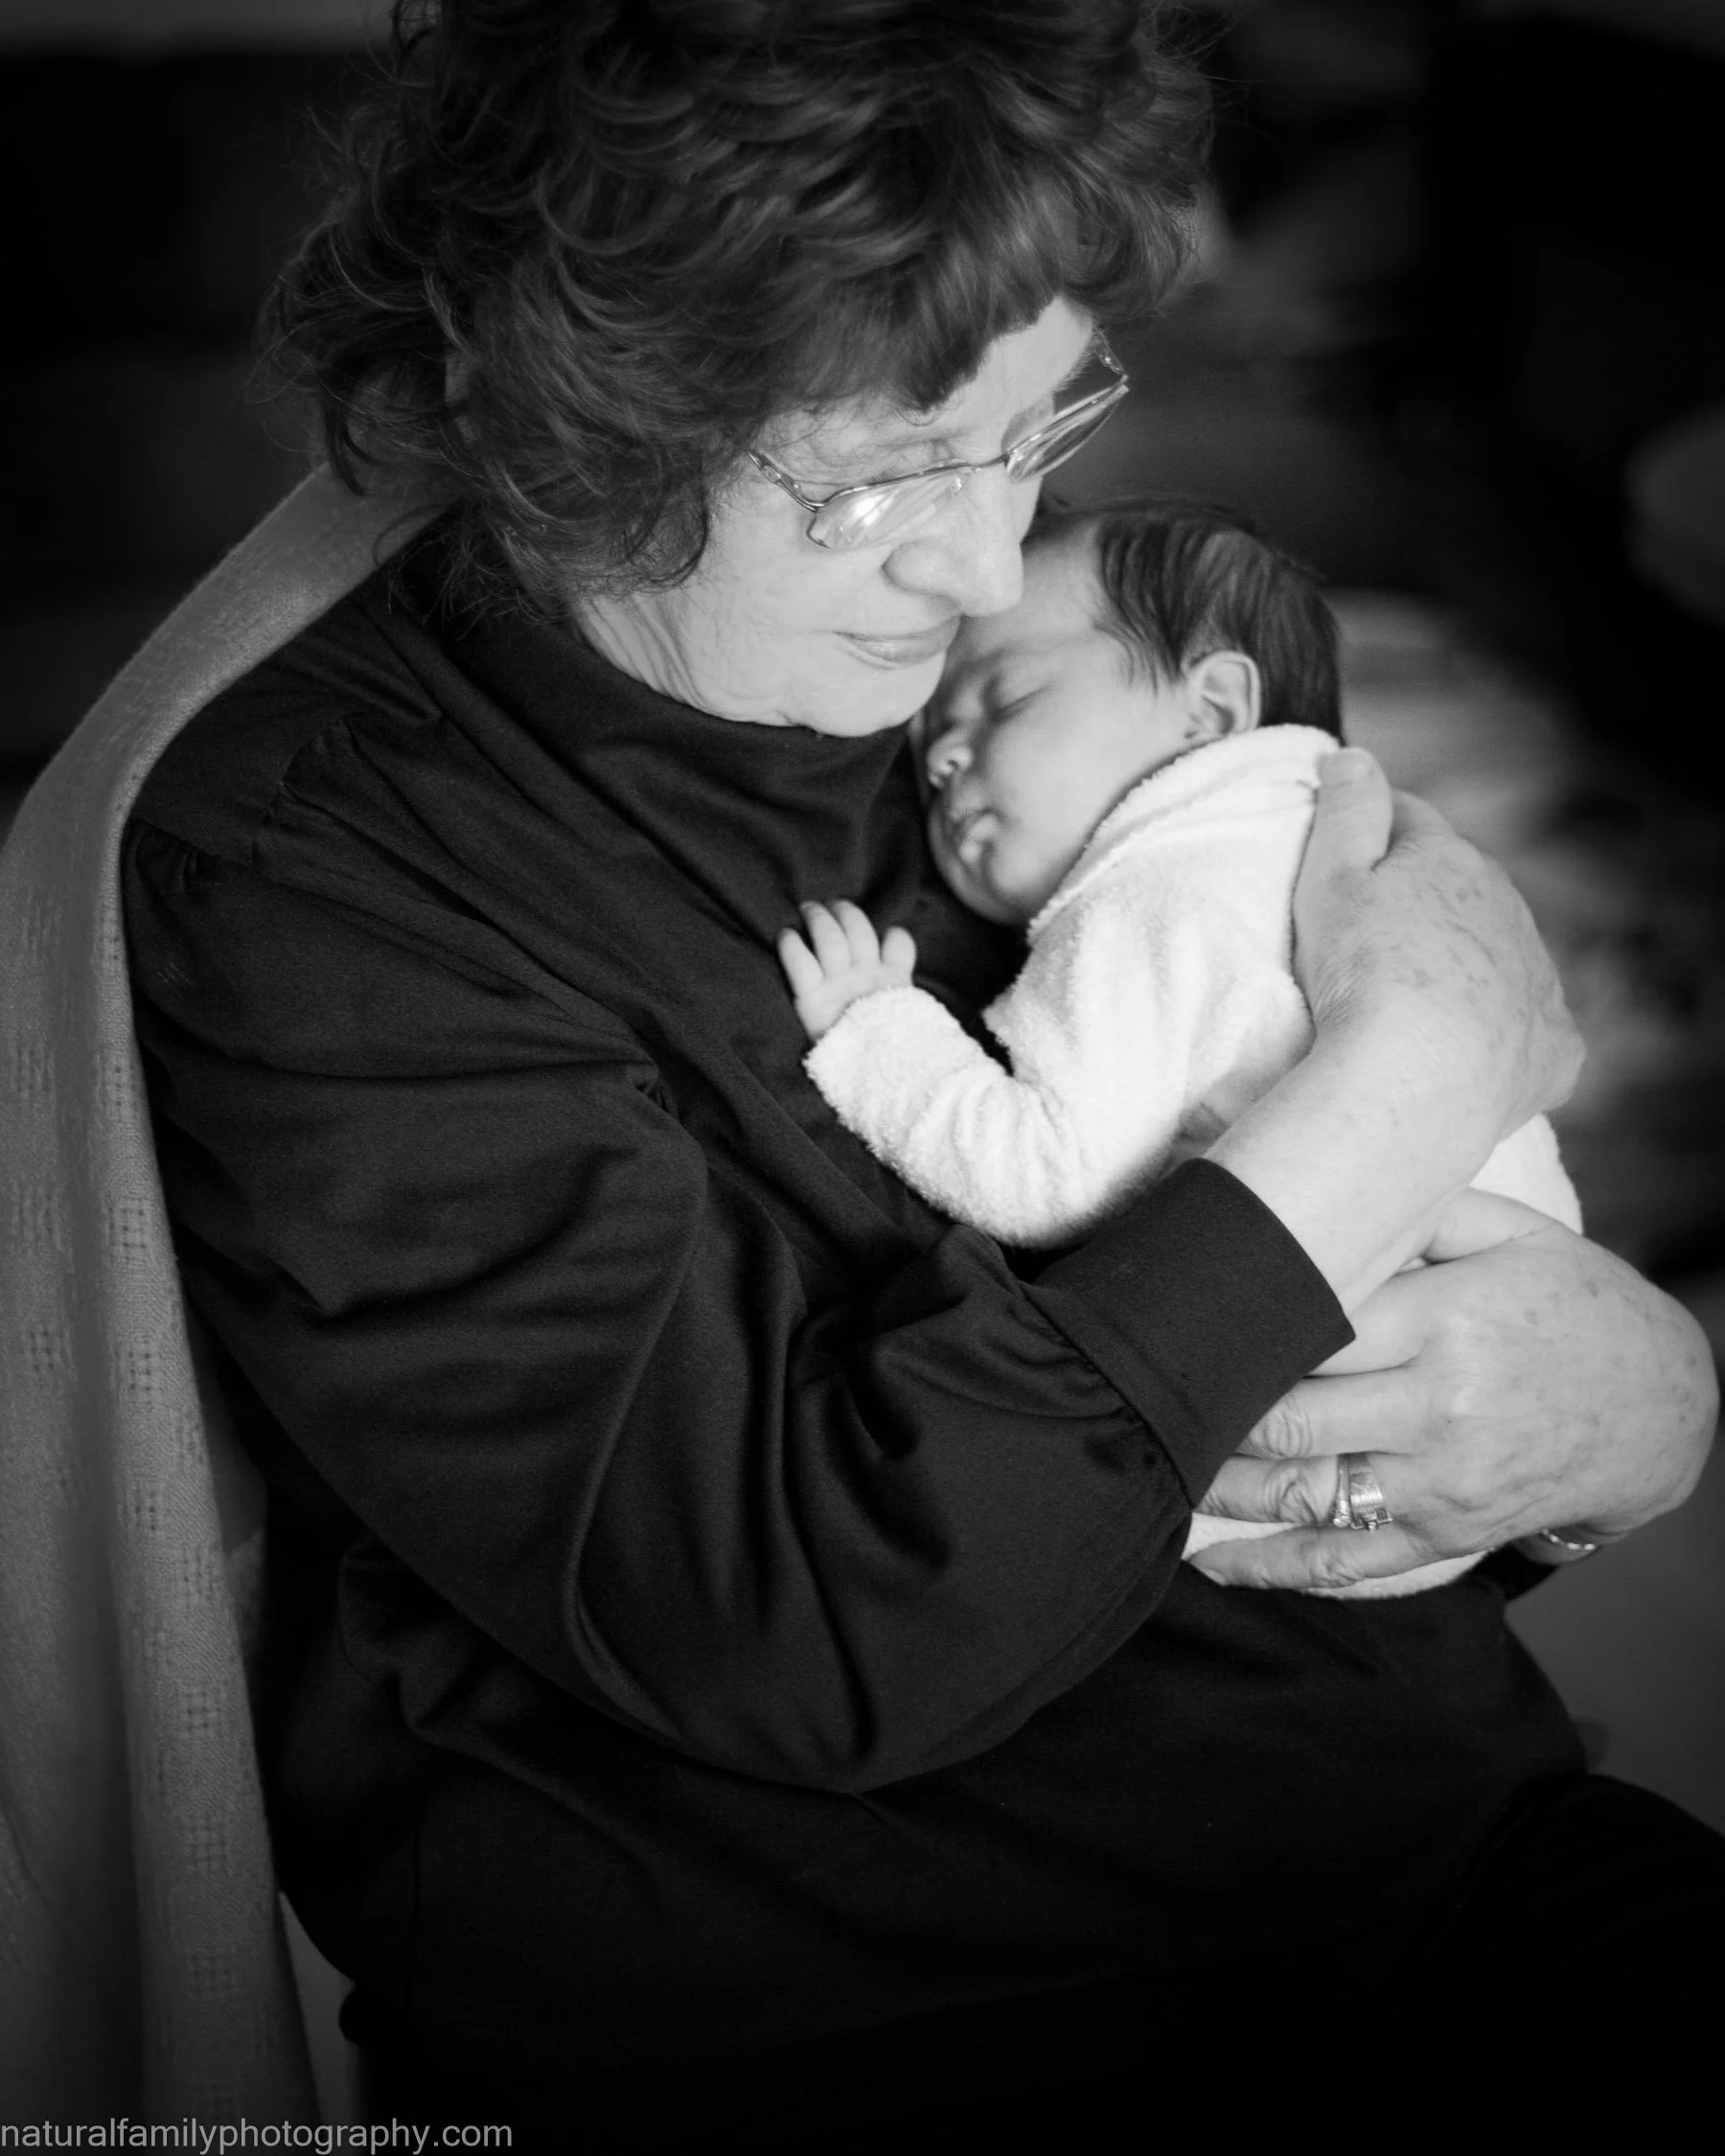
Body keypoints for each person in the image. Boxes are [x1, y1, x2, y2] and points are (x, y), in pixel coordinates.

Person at [117, 2, 1719, 2145]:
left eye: (1036, 428)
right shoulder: (316, 881)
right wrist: (1415, 1073)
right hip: (864, 2038)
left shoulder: (1040, 697)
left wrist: (1637, 1403)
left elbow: (1383, 1281)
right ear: (580, 420)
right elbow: (820, 1623)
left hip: (1445, 1872)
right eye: (877, 471)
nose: (979, 573)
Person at [777, 499, 1581, 1598]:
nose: (945, 755)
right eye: (924, 754)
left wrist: (877, 1032)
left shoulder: (1164, 890)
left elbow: (1050, 1177)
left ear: (1208, 713)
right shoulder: (1320, 853)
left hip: (1331, 1439)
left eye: (1002, 697)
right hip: (1482, 1401)